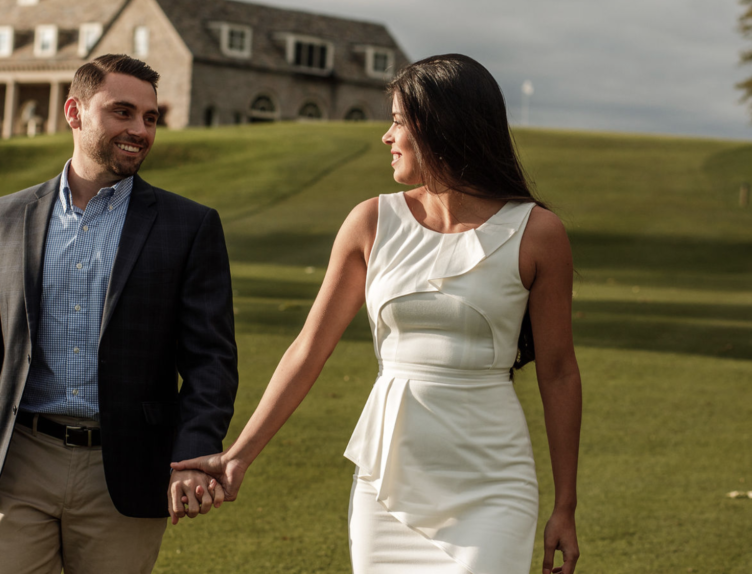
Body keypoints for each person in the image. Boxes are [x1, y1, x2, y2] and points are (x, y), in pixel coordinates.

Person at [172, 54, 582, 574]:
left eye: (396, 122)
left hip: (492, 484)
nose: (386, 137)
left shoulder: (538, 233)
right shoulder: (370, 222)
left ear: (440, 128)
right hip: (386, 485)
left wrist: (564, 506)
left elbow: (560, 371)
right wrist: (238, 456)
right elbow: (309, 349)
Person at [0, 54, 238, 574]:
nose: (139, 130)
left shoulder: (189, 227)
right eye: (122, 112)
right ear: (74, 112)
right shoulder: (4, 216)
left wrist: (192, 456)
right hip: (16, 463)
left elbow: (212, 362)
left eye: (150, 118)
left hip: (127, 468)